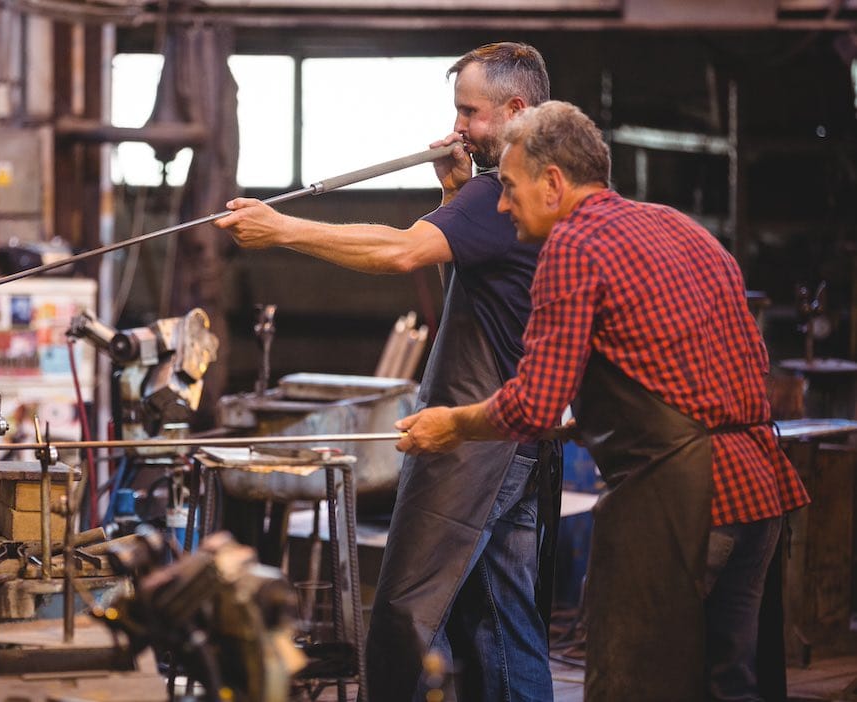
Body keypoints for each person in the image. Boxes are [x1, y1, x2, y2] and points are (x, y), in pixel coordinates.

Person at [396, 100, 811, 702]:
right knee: (726, 687)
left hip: (682, 501)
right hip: (758, 493)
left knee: (634, 688)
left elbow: (533, 407)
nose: (502, 205)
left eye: (509, 187)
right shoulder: (680, 228)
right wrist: (590, 421)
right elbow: (726, 370)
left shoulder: (572, 245)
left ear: (553, 183)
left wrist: (452, 425)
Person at [215, 42, 556, 702]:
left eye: (470, 112)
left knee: (407, 614)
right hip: (516, 440)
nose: (457, 128)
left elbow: (398, 252)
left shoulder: (498, 195)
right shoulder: (537, 193)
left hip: (473, 444)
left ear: (517, 110)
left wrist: (282, 229)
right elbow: (485, 286)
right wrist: (453, 192)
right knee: (501, 619)